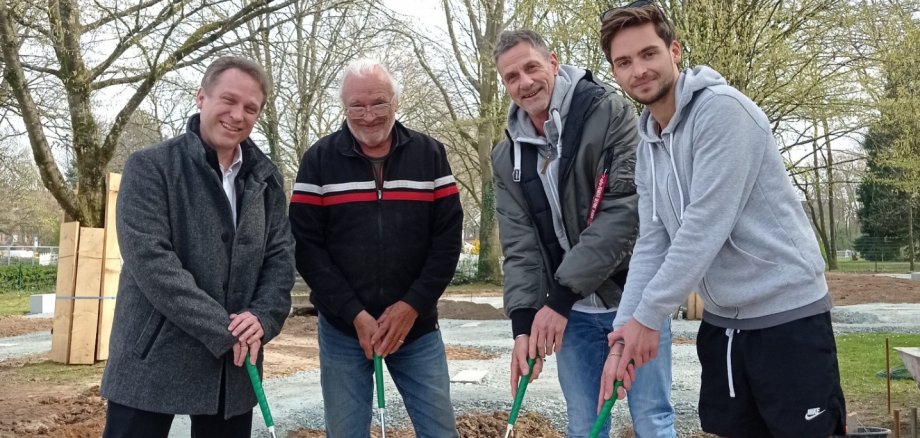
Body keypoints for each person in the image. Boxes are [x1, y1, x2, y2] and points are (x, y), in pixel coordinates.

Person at [598, 3, 847, 437]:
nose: (638, 70)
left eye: (648, 53)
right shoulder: (648, 142)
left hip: (787, 320)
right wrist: (624, 331)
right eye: (624, 62)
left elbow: (704, 227)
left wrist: (648, 319)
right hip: (723, 326)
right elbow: (653, 241)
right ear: (616, 72)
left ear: (674, 51)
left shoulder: (723, 112)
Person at [492, 29, 676, 437]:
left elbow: (622, 214)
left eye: (532, 67)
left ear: (553, 62)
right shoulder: (506, 156)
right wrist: (523, 324)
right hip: (572, 316)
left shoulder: (608, 112)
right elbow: (519, 246)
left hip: (633, 300)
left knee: (652, 418)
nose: (525, 82)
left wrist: (559, 299)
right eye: (511, 77)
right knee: (583, 423)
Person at [100, 56, 294, 437]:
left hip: (232, 369)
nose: (238, 115)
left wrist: (262, 318)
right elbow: (152, 263)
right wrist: (226, 329)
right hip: (152, 359)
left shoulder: (267, 179)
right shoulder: (150, 167)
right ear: (201, 97)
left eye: (250, 108)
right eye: (229, 100)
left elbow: (280, 259)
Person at [289, 58, 463, 438]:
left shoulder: (430, 155)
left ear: (396, 102)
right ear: (344, 107)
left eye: (379, 102)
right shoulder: (318, 161)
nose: (368, 116)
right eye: (357, 106)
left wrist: (411, 306)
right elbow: (307, 248)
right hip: (343, 328)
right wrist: (354, 314)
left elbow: (447, 241)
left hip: (415, 327)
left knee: (440, 431)